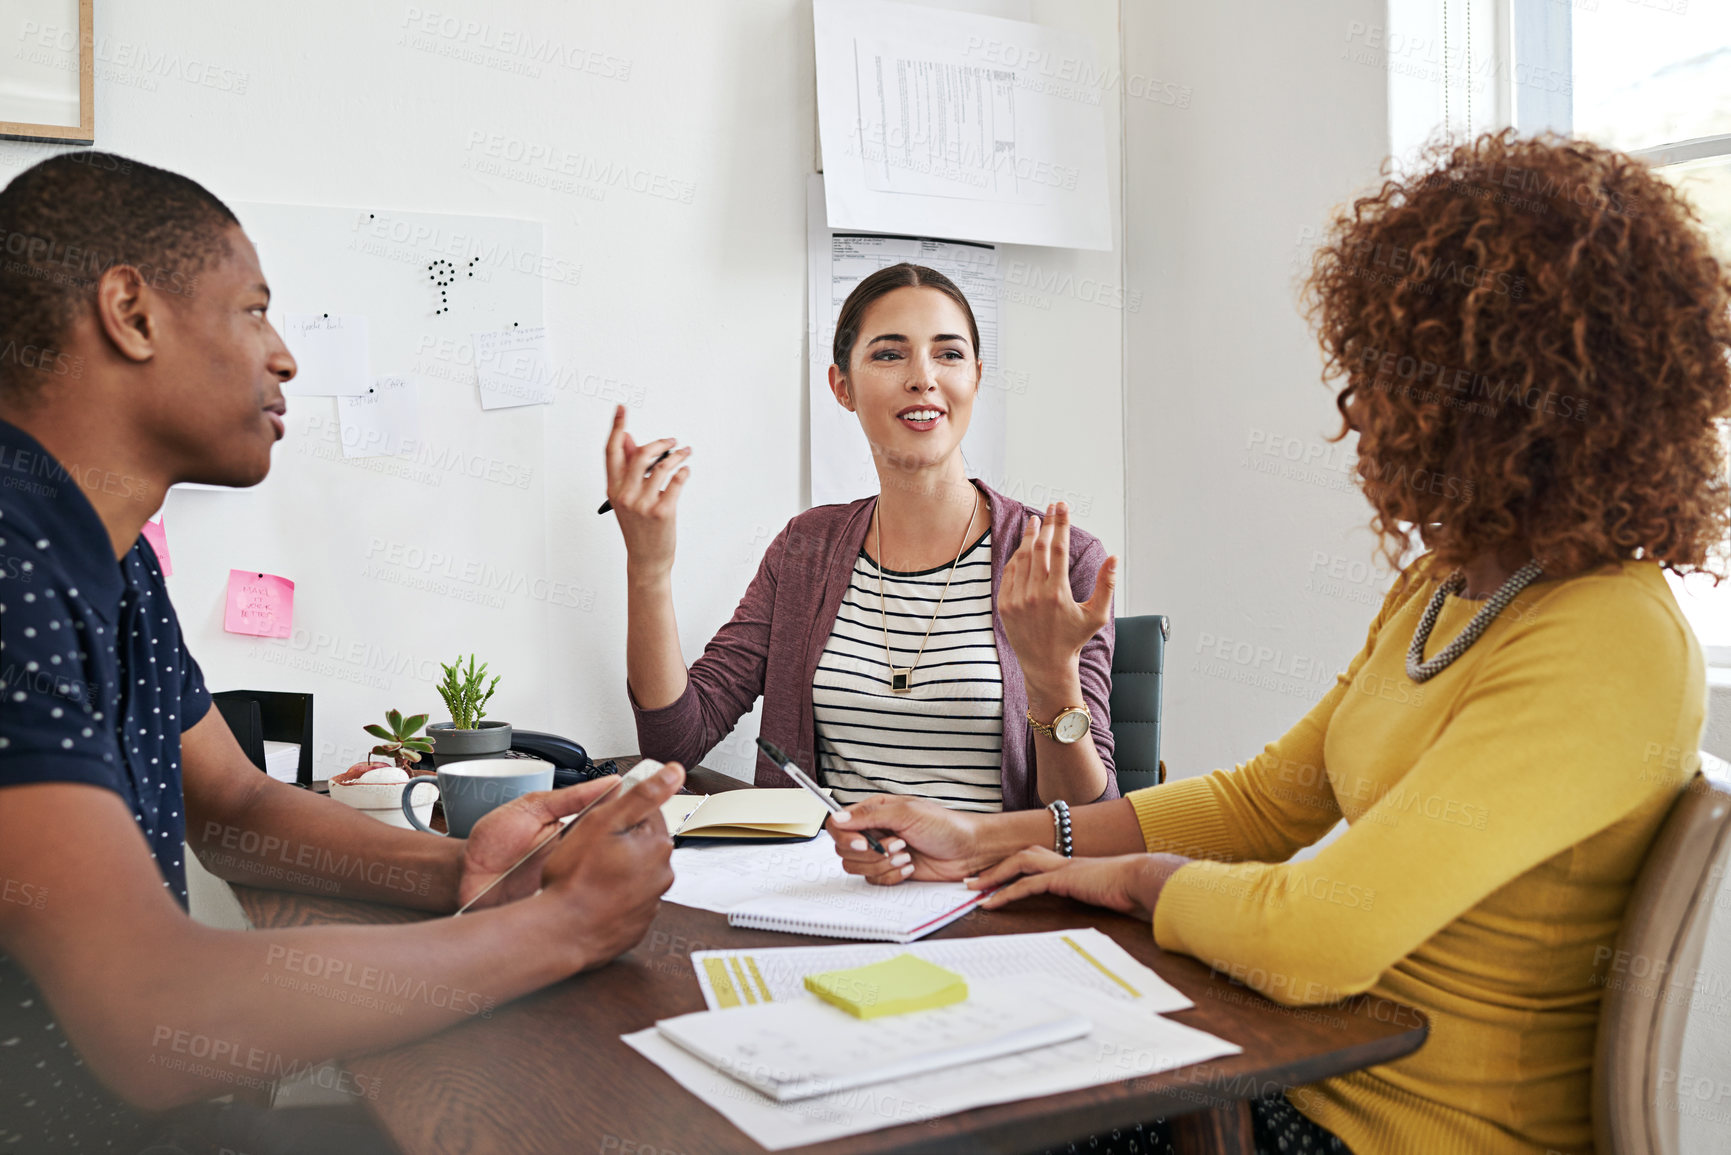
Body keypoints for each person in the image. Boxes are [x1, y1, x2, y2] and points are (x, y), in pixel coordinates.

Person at [827, 131, 1731, 1155]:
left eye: (1395, 378)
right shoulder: (1446, 583)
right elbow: (1269, 802)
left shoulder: (1608, 640)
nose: (1364, 411)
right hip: (1291, 1073)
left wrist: (1130, 879)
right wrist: (989, 837)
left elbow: (1317, 939)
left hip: (1394, 1130)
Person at [0, 152, 685, 1155]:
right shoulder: (15, 560)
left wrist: (463, 868)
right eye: (253, 311)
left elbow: (233, 809)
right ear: (131, 314)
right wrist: (556, 929)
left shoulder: (104, 559)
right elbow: (152, 1014)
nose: (284, 357)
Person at [608, 262, 1119, 816]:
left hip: (984, 889)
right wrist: (649, 566)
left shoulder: (1058, 560)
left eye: (948, 354)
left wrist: (1052, 679)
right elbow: (676, 743)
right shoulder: (806, 549)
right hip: (821, 885)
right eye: (889, 353)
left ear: (975, 376)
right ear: (842, 387)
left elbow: (1091, 818)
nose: (923, 376)